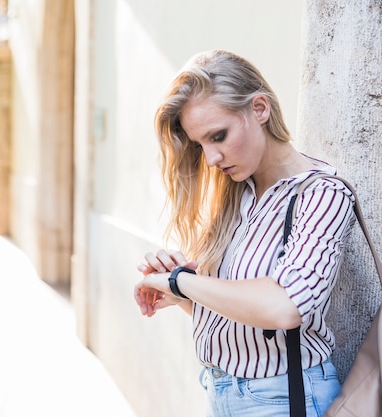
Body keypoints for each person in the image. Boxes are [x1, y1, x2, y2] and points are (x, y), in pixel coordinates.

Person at [133, 50, 355, 417]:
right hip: (218, 390)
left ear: (260, 109)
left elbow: (284, 308)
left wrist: (181, 282)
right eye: (200, 145)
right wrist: (172, 289)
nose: (211, 159)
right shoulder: (235, 194)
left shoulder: (322, 194)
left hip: (282, 399)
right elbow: (241, 318)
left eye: (218, 136)